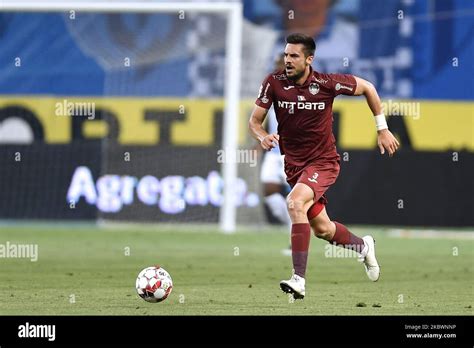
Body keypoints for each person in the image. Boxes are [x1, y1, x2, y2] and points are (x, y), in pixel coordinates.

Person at [248, 33, 399, 299]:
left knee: (294, 203)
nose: (288, 60)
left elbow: (368, 88)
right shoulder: (273, 83)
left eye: (294, 55)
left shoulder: (327, 83)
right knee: (323, 230)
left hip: (323, 162)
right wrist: (263, 136)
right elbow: (255, 121)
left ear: (309, 59)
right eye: (286, 55)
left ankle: (299, 280)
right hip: (294, 166)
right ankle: (363, 247)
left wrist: (382, 129)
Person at [260, 55, 292, 256]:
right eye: (276, 64)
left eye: (280, 64)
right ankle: (292, 225)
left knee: (294, 200)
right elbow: (263, 117)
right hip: (273, 152)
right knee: (269, 190)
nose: (277, 67)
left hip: (292, 153)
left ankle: (294, 240)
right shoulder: (271, 87)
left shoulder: (300, 89)